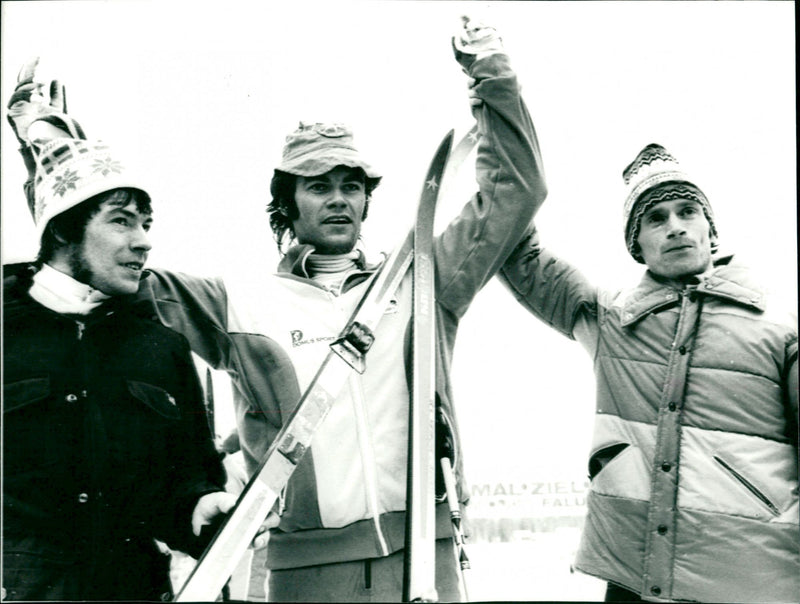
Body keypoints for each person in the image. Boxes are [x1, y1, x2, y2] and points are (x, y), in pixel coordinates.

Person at [8, 18, 548, 601]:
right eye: (318, 185)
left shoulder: (424, 283)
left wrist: (494, 80)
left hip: (424, 554)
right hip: (306, 568)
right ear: (286, 204)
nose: (339, 198)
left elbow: (516, 191)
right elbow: (92, 268)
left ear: (368, 198)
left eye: (351, 184)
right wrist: (55, 155)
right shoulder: (236, 302)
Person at [499, 143, 799, 602]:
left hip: (753, 581)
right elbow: (514, 245)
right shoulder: (609, 320)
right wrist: (498, 96)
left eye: (687, 212)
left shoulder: (780, 328)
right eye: (656, 219)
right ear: (636, 245)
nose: (675, 227)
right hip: (634, 583)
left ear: (711, 229)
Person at [1, 90, 247, 600]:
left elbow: (188, 481)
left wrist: (199, 509)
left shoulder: (162, 349)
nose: (143, 240)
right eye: (121, 220)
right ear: (65, 228)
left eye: (146, 223)